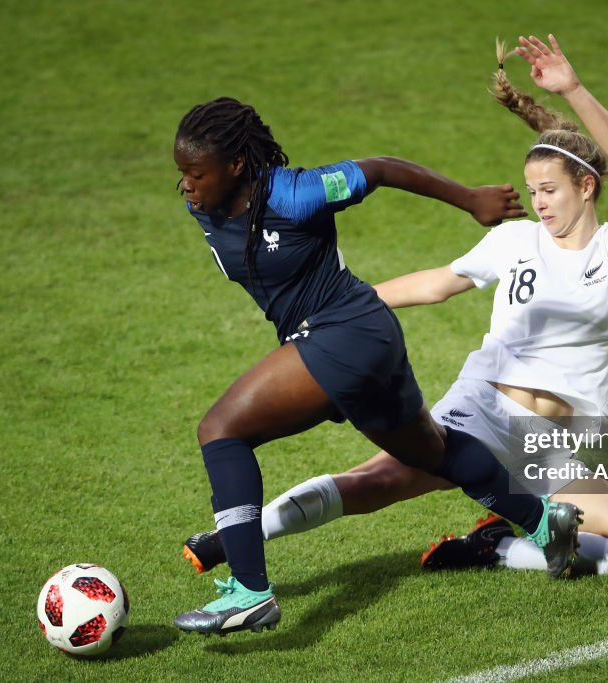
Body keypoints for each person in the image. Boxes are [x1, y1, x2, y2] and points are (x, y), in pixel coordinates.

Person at [181, 34, 608, 581]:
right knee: (378, 480)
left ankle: (496, 548)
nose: (537, 203)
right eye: (532, 191)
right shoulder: (514, 240)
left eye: (549, 191)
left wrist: (573, 89)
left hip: (550, 448)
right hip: (485, 408)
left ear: (587, 187)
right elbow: (436, 285)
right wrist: (334, 322)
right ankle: (237, 537)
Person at [170, 91, 584, 636]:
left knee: (220, 430)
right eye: (182, 174)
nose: (186, 185)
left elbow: (382, 170)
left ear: (237, 165)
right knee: (434, 450)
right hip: (359, 337)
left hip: (344, 331)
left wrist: (469, 200)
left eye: (196, 174)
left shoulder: (295, 194)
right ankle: (543, 521)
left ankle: (250, 592)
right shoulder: (203, 205)